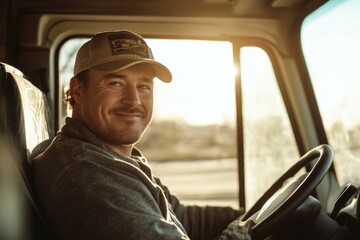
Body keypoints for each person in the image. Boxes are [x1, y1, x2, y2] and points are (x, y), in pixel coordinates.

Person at [31, 29, 247, 240]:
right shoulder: (88, 175)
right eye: (115, 83)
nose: (133, 100)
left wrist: (248, 217)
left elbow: (181, 217)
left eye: (144, 86)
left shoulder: (112, 157)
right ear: (77, 91)